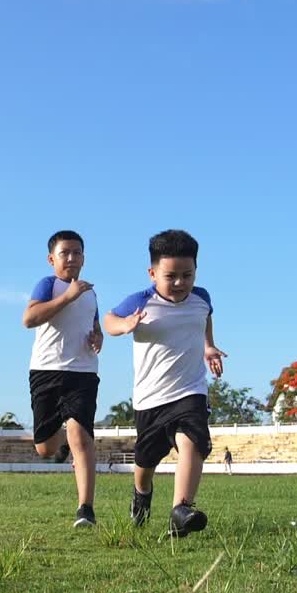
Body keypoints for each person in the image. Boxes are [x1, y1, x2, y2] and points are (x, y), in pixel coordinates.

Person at [104, 229, 226, 537]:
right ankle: (142, 494)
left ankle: (182, 510)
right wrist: (125, 325)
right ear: (153, 272)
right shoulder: (140, 301)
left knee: (194, 441)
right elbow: (108, 320)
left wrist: (208, 345)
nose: (180, 283)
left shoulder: (201, 298)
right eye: (171, 276)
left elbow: (205, 316)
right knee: (145, 463)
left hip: (190, 391)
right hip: (150, 399)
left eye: (188, 275)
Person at [22, 230, 102, 527]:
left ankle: (86, 509)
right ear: (51, 259)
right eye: (64, 253)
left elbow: (93, 324)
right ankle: (65, 442)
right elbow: (29, 319)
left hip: (83, 372)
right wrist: (67, 297)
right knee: (46, 448)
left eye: (77, 252)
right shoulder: (48, 285)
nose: (71, 258)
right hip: (46, 371)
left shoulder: (91, 292)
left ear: (84, 257)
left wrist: (98, 337)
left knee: (81, 435)